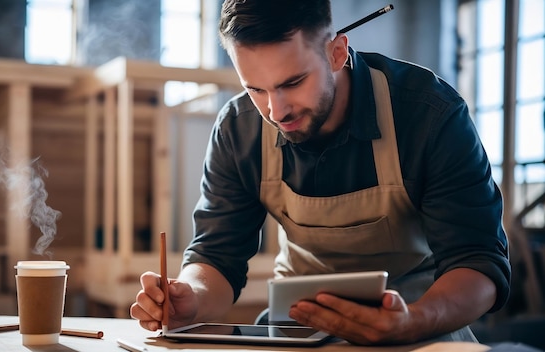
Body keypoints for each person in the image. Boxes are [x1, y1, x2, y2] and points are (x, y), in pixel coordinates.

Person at [130, 0, 511, 345]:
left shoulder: (429, 114)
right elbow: (216, 256)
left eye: (292, 83)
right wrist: (190, 299)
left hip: (421, 321)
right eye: (256, 90)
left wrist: (414, 320)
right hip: (295, 326)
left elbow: (478, 262)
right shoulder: (238, 129)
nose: (276, 112)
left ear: (336, 52)